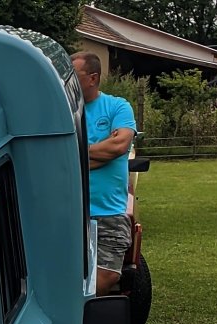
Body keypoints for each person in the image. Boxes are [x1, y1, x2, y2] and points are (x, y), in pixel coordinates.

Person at [70, 52, 136, 294]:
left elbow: (119, 146)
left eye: (73, 76)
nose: (67, 82)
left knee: (107, 276)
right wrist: (99, 155)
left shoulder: (118, 106)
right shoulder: (61, 113)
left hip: (108, 212)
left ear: (93, 78)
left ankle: (74, 306)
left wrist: (75, 156)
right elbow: (54, 159)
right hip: (69, 212)